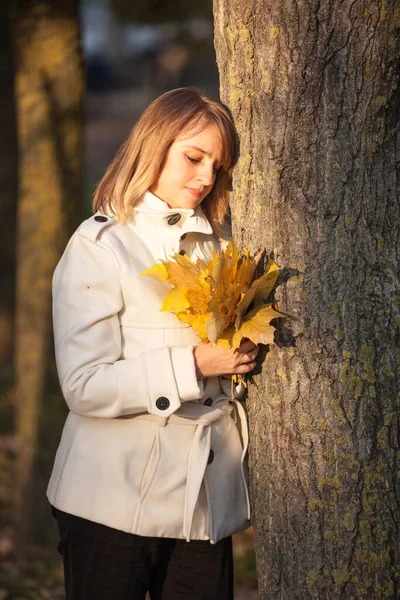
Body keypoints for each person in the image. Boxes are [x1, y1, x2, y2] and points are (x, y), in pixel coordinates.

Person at [48, 87, 259, 600]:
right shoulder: (101, 245)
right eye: (193, 157)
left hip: (201, 508)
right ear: (154, 145)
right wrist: (194, 363)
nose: (206, 177)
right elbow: (83, 385)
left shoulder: (225, 246)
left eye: (218, 165)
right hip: (109, 503)